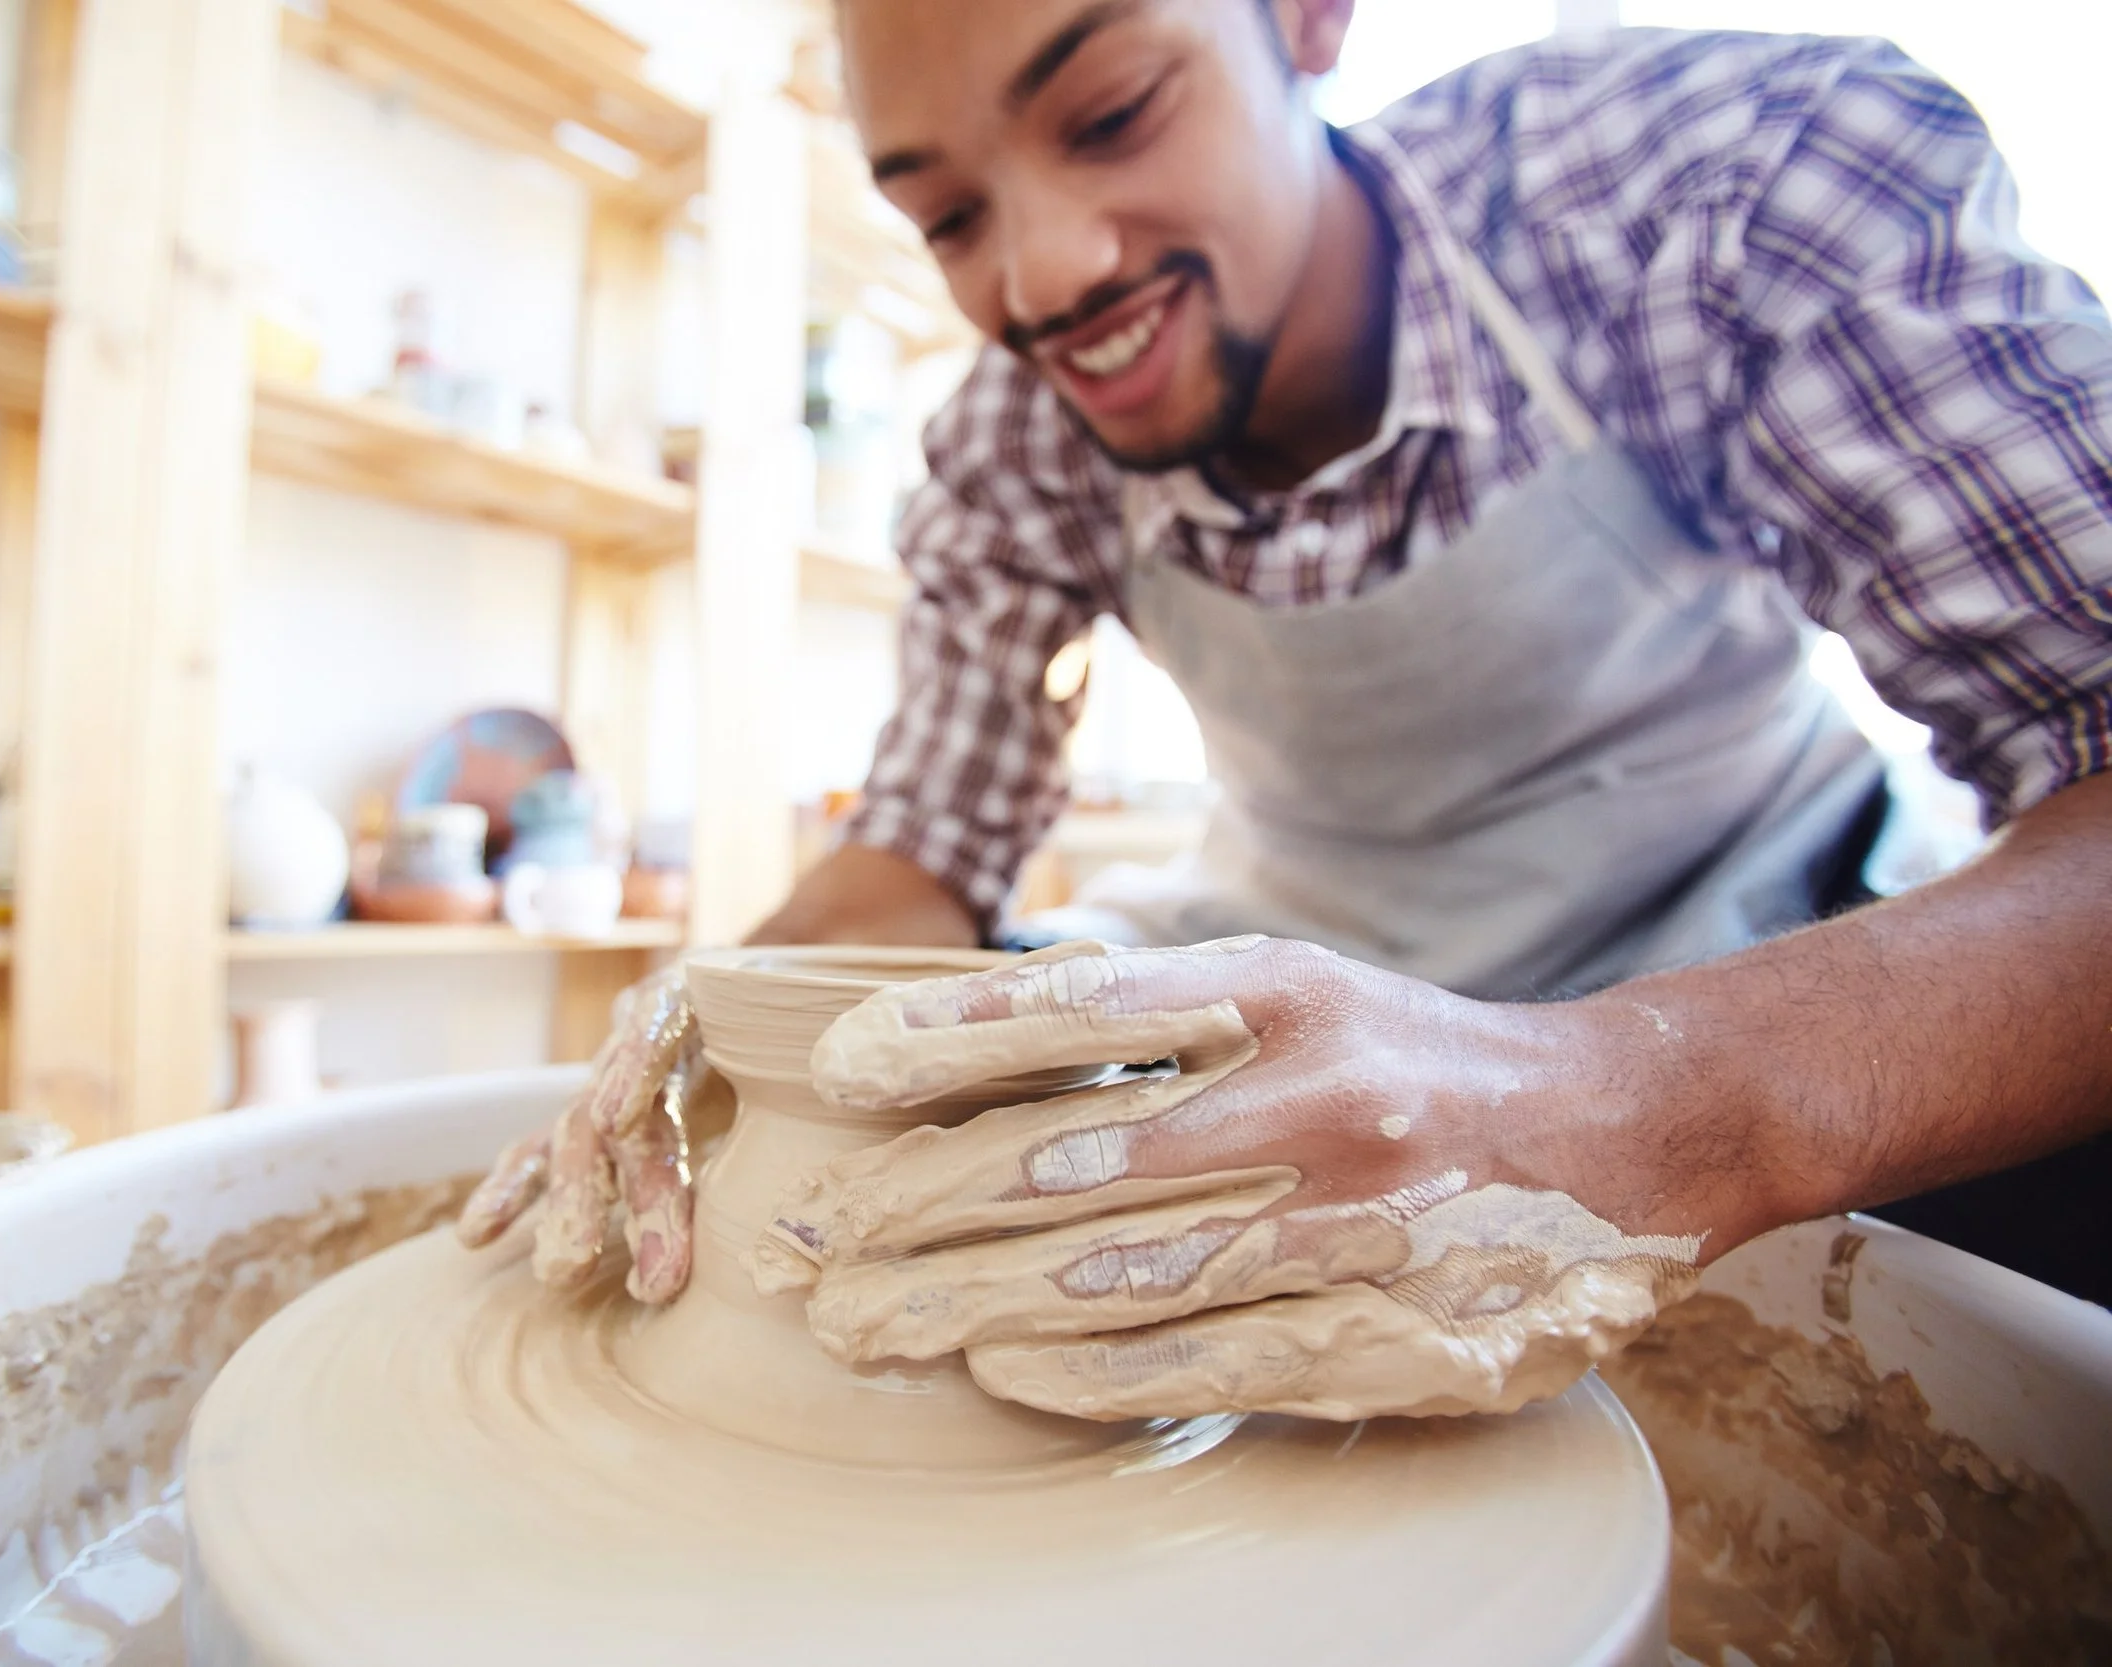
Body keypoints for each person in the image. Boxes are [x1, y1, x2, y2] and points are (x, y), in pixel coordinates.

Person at [461, 0, 2112, 1411]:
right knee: (941, 1109)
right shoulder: (1017, 443)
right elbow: (922, 858)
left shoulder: (1709, 180)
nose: (1039, 279)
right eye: (948, 216)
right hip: (1303, 968)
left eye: (1110, 113)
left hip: (1755, 932)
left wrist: (1659, 1100)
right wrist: (724, 1018)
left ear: (1308, 16)